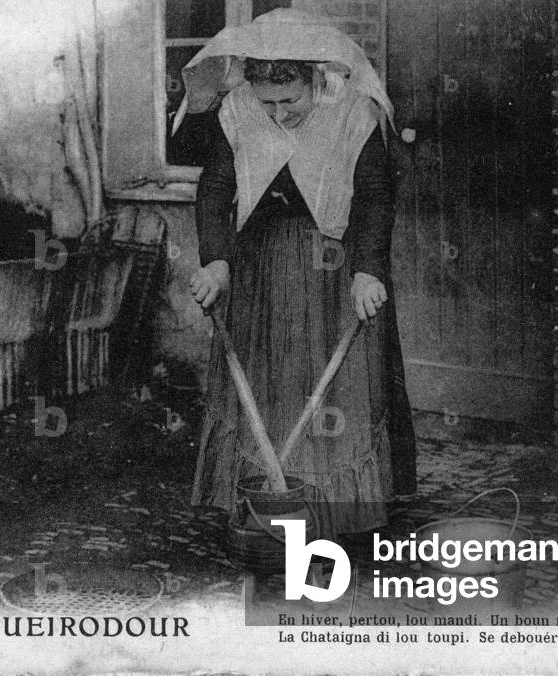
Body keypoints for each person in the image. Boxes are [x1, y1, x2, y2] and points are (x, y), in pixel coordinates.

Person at [176, 9, 416, 538]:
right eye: (269, 103)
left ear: (315, 79)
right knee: (268, 380)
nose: (279, 114)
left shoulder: (353, 112)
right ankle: (266, 501)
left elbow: (376, 197)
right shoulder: (237, 110)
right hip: (258, 265)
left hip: (336, 270)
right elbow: (215, 189)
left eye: (291, 102)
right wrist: (216, 260)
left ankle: (335, 513)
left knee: (336, 394)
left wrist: (368, 270)